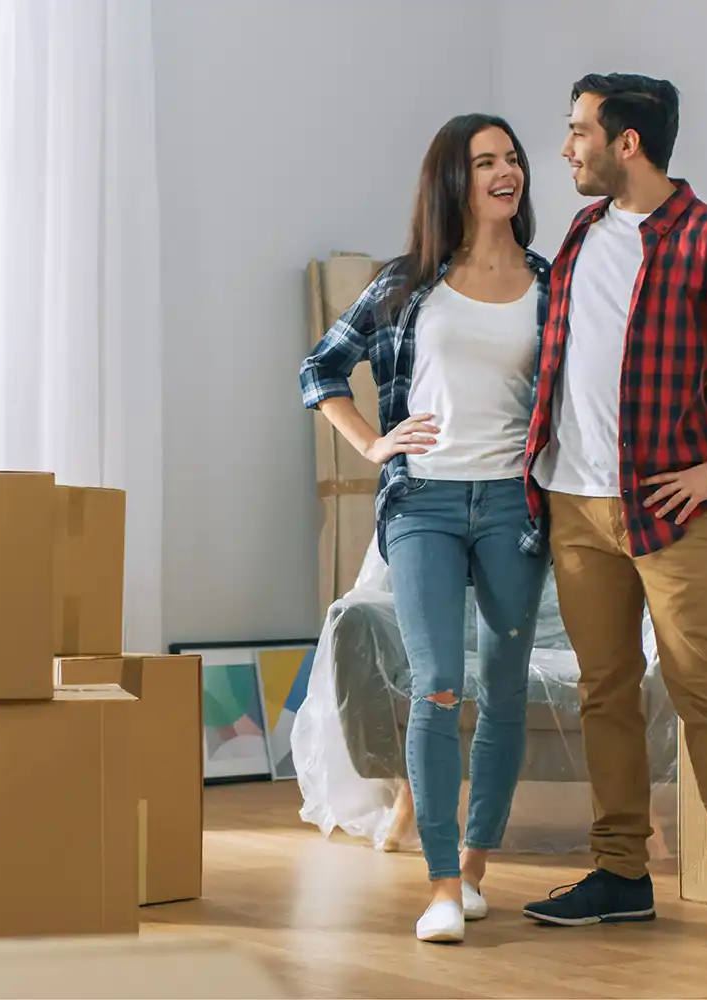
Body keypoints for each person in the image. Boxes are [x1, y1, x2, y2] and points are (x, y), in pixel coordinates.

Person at [517, 73, 707, 953]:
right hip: (575, 504)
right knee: (604, 694)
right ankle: (620, 874)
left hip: (667, 510)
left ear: (628, 144)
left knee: (704, 697)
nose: (567, 148)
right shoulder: (579, 235)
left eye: (578, 132)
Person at [299, 114, 551, 945]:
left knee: (505, 691)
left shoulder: (553, 282)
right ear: (455, 179)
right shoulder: (410, 282)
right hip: (426, 506)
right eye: (486, 161)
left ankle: (476, 868)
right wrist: (373, 441)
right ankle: (441, 885)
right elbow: (321, 367)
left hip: (515, 506)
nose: (505, 171)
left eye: (511, 157)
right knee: (440, 680)